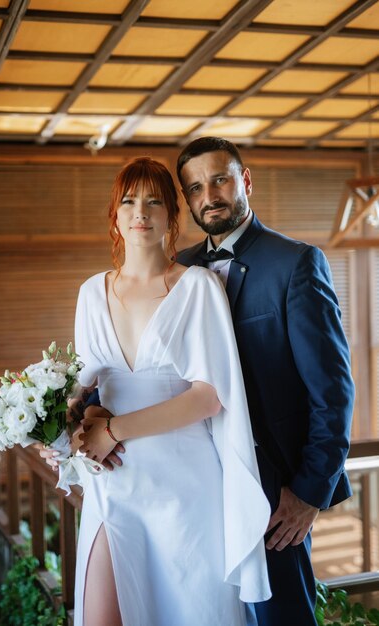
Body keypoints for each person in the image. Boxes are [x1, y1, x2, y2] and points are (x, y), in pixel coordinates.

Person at [40, 156, 271, 626]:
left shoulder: (199, 288)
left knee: (184, 610)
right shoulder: (91, 293)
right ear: (116, 214)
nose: (139, 211)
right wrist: (58, 435)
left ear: (171, 214)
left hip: (184, 485)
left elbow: (210, 394)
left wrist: (114, 430)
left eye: (152, 201)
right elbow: (82, 387)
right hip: (115, 481)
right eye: (128, 201)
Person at [174, 137, 355, 626]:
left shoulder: (296, 262)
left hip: (274, 492)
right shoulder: (179, 270)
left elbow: (333, 393)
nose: (208, 195)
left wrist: (309, 493)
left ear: (245, 180)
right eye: (194, 188)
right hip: (196, 486)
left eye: (219, 179)